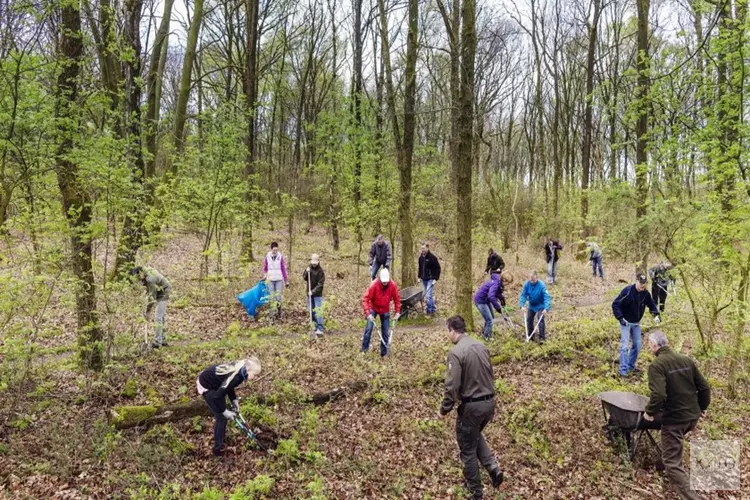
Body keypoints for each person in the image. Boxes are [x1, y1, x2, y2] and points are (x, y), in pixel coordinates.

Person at [437, 315, 503, 499]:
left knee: (467, 448)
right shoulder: (481, 346)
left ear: (452, 330)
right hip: (489, 403)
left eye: (447, 331)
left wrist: (444, 409)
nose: (447, 335)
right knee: (474, 435)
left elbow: (452, 385)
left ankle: (475, 491)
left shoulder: (456, 352)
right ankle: (492, 468)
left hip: (472, 406)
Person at [643, 331, 710, 500]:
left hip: (675, 420)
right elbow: (704, 387)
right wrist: (701, 408)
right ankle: (659, 466)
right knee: (671, 448)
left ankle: (693, 497)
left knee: (672, 463)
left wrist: (649, 412)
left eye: (649, 345)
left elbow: (658, 395)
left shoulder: (657, 365)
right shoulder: (686, 360)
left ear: (653, 345)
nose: (649, 347)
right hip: (691, 418)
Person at [196, 356, 262, 457]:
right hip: (207, 385)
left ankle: (220, 440)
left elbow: (228, 386)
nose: (255, 377)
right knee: (221, 417)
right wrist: (225, 411)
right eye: (255, 375)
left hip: (215, 385)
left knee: (222, 410)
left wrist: (234, 400)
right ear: (248, 369)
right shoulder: (237, 375)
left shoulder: (241, 371)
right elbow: (217, 397)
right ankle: (218, 450)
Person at [611, 273, 661, 378]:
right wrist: (620, 318)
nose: (642, 287)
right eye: (641, 284)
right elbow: (615, 304)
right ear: (637, 281)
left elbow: (651, 304)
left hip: (636, 323)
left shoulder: (646, 294)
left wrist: (656, 315)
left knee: (637, 345)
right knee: (624, 346)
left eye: (644, 285)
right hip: (625, 322)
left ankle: (630, 367)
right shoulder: (627, 291)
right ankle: (623, 371)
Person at [361, 268, 401, 357]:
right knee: (369, 329)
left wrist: (397, 312)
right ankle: (364, 350)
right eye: (383, 282)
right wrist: (368, 313)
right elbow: (365, 299)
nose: (385, 283)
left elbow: (397, 299)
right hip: (373, 308)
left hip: (385, 309)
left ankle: (384, 352)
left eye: (386, 282)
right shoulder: (374, 285)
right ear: (380, 279)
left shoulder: (393, 285)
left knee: (385, 331)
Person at [131, 266, 172, 348]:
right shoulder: (144, 276)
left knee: (158, 317)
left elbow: (152, 298)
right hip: (158, 291)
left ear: (141, 273)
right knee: (161, 317)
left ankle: (157, 342)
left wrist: (147, 311)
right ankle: (162, 339)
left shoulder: (150, 278)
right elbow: (149, 291)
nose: (138, 279)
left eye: (138, 276)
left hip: (164, 292)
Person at [519, 270, 551, 343]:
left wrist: (546, 308)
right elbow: (523, 295)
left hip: (541, 305)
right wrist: (522, 305)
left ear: (536, 277)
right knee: (529, 320)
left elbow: (547, 297)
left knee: (540, 319)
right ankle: (530, 337)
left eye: (533, 279)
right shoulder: (527, 284)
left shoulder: (541, 285)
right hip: (532, 305)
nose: (531, 281)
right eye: (530, 279)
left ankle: (542, 338)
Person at [473, 273, 505, 340]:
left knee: (491, 317)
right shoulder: (496, 283)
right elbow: (491, 296)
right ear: (504, 280)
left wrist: (502, 299)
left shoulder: (498, 282)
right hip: (480, 301)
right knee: (489, 320)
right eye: (507, 283)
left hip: (486, 300)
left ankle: (485, 332)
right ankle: (486, 337)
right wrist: (497, 307)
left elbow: (496, 293)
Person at [262, 242, 289, 320]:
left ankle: (279, 313)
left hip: (279, 280)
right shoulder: (267, 256)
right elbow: (265, 268)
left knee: (278, 297)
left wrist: (286, 280)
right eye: (274, 250)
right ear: (271, 249)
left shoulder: (280, 257)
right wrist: (265, 275)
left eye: (276, 250)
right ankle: (271, 316)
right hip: (270, 279)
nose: (275, 252)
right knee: (271, 298)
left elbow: (283, 269)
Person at [303, 254, 325, 336]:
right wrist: (306, 271)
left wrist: (313, 291)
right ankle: (314, 326)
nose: (314, 264)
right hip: (309, 293)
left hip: (317, 294)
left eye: (315, 262)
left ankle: (320, 328)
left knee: (318, 310)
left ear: (318, 261)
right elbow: (305, 278)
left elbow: (320, 284)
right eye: (313, 262)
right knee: (311, 310)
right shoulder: (309, 268)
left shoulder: (321, 271)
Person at [418, 243, 441, 315]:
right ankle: (433, 309)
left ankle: (429, 311)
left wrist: (435, 279)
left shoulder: (432, 258)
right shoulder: (421, 258)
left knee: (429, 295)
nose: (422, 250)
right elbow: (420, 268)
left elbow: (438, 268)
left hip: (430, 279)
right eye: (422, 248)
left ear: (427, 248)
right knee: (426, 295)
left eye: (424, 248)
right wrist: (419, 276)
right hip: (424, 279)